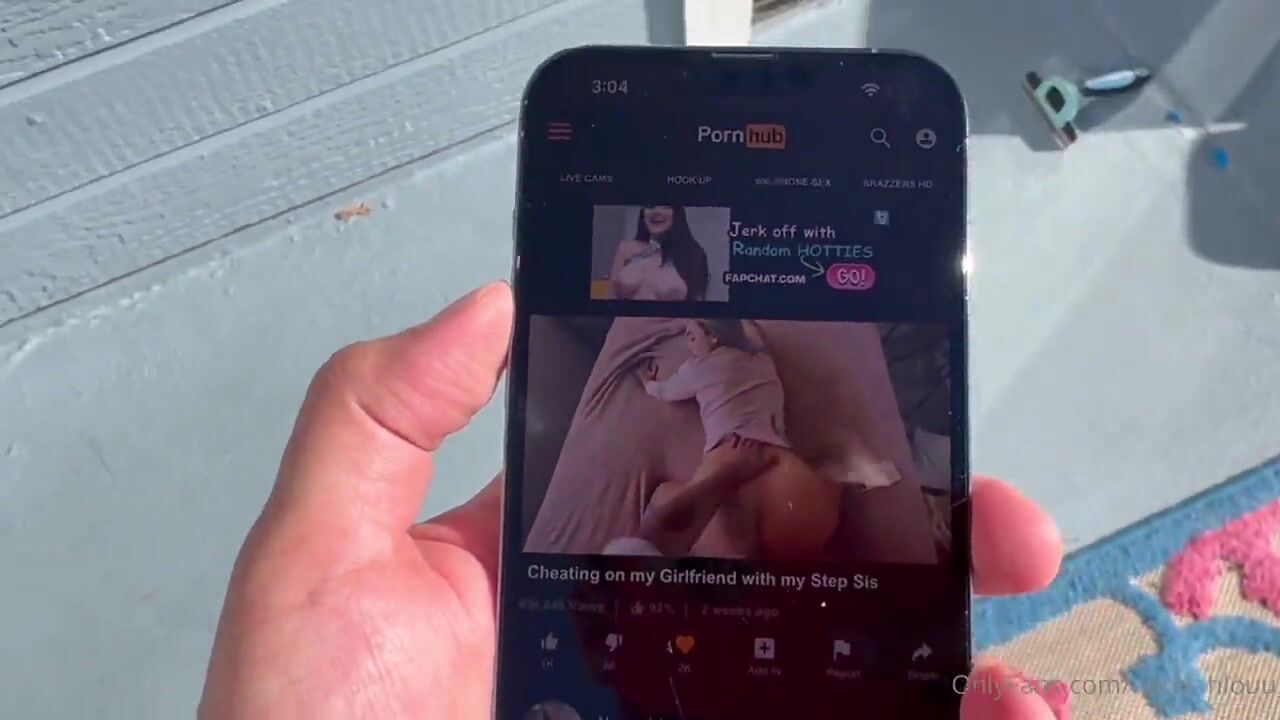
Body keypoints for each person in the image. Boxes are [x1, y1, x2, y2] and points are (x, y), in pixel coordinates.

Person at [200, 282, 1066, 719]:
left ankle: (697, 544)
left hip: (737, 475)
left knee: (690, 523)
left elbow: (669, 382)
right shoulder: (738, 365)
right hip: (770, 480)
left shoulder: (701, 364)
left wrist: (661, 376)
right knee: (772, 536)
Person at [607, 319, 842, 560]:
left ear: (713, 337)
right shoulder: (763, 361)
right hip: (783, 468)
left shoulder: (698, 367)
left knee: (663, 498)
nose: (689, 344)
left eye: (692, 336)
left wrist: (648, 383)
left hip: (729, 450)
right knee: (826, 495)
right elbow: (755, 337)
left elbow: (667, 391)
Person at [608, 205, 710, 301]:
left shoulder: (692, 253)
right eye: (650, 206)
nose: (657, 211)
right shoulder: (626, 248)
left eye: (665, 206)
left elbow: (698, 302)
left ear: (676, 213)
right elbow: (610, 297)